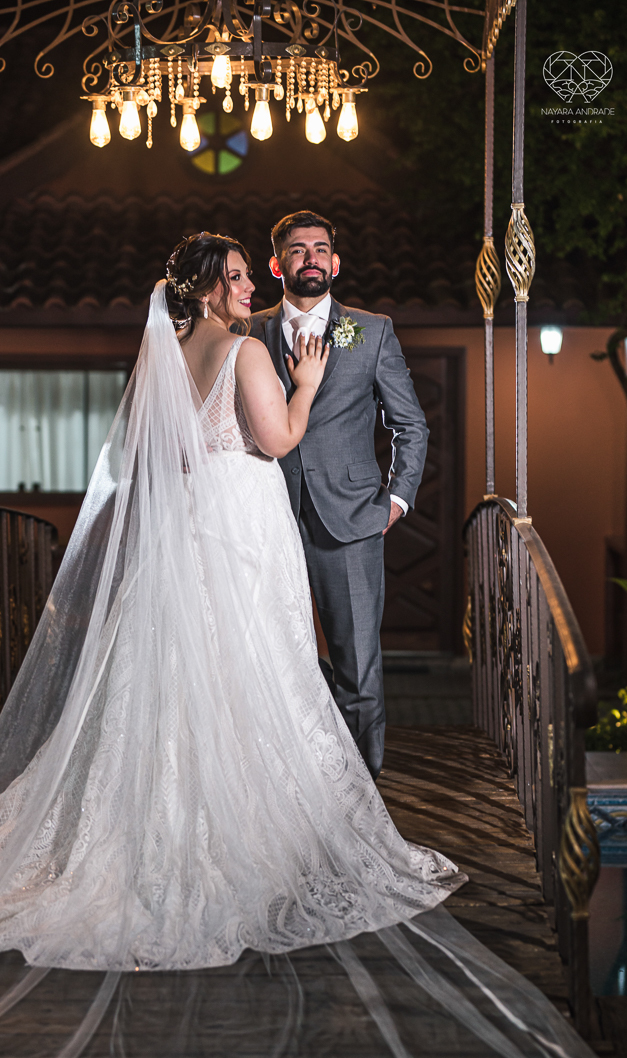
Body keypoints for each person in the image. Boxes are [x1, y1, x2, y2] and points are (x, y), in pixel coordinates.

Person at [0, 234, 616, 1058]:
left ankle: (154, 823)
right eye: (241, 274)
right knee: (259, 672)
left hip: (188, 527)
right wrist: (303, 380)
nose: (255, 283)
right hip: (244, 526)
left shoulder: (167, 352)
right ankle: (262, 826)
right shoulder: (252, 348)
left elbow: (163, 455)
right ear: (217, 288)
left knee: (176, 684)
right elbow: (280, 442)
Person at [250, 210, 427, 779]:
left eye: (321, 249)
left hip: (350, 519)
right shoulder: (247, 331)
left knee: (357, 664)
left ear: (336, 261)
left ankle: (364, 791)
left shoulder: (372, 330)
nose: (311, 258)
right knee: (272, 656)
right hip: (263, 516)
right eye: (297, 250)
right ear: (277, 264)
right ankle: (292, 781)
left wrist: (396, 500)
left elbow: (411, 425)